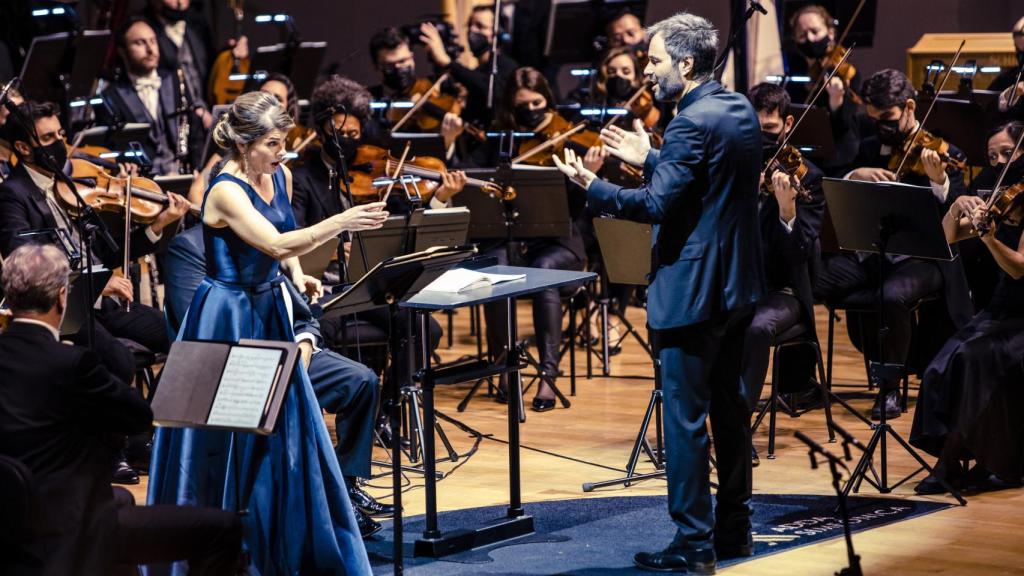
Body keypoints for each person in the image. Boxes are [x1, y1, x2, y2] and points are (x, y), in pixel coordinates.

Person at [554, 12, 764, 573]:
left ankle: (694, 548)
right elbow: (707, 178)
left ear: (686, 63)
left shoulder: (690, 123)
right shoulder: (738, 109)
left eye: (655, 60)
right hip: (736, 286)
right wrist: (650, 156)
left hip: (692, 291)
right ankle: (735, 531)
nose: (647, 71)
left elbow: (653, 205)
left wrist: (592, 186)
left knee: (686, 422)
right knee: (730, 411)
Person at [147, 90, 389, 575]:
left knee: (283, 431)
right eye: (274, 143)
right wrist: (340, 222)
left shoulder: (279, 174)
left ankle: (285, 544)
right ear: (243, 143)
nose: (282, 152)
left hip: (268, 307)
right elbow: (274, 241)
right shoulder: (225, 191)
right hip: (227, 316)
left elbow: (285, 235)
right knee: (227, 436)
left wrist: (297, 273)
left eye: (284, 142)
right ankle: (226, 549)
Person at [0, 243, 243, 576]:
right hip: (70, 526)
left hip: (12, 518)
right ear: (61, 297)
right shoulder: (72, 363)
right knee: (222, 528)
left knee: (124, 500)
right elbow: (138, 417)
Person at [0, 100, 190, 483]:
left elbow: (103, 251)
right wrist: (96, 278)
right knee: (118, 361)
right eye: (49, 137)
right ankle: (115, 449)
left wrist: (157, 227)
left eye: (61, 134)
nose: (61, 144)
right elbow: (27, 259)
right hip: (62, 306)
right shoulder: (12, 195)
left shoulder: (65, 184)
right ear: (23, 148)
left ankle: (153, 437)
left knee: (181, 332)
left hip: (97, 299)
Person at [162, 224, 391, 538]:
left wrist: (306, 343)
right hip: (232, 363)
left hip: (287, 352)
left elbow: (302, 311)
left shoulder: (261, 237)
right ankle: (303, 505)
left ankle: (346, 487)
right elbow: (198, 321)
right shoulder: (187, 247)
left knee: (360, 381)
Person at [813, 68, 972, 420]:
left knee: (892, 296)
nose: (880, 126)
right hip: (873, 252)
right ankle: (803, 381)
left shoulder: (945, 152)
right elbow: (837, 180)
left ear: (910, 107)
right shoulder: (870, 147)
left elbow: (959, 218)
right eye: (873, 119)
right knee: (812, 279)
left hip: (925, 258)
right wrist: (857, 175)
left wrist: (940, 181)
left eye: (887, 118)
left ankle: (889, 390)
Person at [910, 120, 1024, 495]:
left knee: (975, 360)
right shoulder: (996, 193)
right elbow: (943, 242)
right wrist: (955, 204)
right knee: (942, 363)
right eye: (992, 156)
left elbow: (1019, 269)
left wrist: (990, 239)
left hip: (1020, 316)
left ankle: (949, 463)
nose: (1000, 160)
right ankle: (963, 461)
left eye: (1008, 153)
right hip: (1000, 310)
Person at [486, 66, 588, 412]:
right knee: (495, 268)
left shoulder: (568, 137)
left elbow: (577, 211)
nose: (531, 110)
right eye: (522, 105)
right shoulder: (504, 141)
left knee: (543, 271)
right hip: (515, 240)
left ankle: (548, 374)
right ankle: (503, 363)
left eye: (537, 102)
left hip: (561, 243)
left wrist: (586, 177)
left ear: (548, 98)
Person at [744, 83, 826, 461]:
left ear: (788, 124)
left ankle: (737, 427)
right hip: (737, 283)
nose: (762, 139)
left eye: (770, 131)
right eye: (754, 129)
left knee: (757, 327)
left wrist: (786, 211)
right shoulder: (735, 167)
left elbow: (799, 254)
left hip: (784, 291)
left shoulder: (807, 178)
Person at [97, 16, 209, 175]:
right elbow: (112, 148)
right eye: (140, 43)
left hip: (184, 175)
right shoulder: (110, 97)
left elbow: (194, 128)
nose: (150, 49)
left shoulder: (175, 79)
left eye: (153, 41)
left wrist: (198, 168)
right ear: (122, 51)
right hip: (144, 183)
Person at [783, 4, 864, 176]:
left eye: (815, 31)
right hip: (806, 160)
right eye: (802, 35)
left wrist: (836, 101)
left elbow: (843, 127)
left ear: (831, 33)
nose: (810, 39)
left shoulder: (846, 72)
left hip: (840, 162)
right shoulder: (794, 75)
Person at [420, 4, 519, 131]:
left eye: (480, 26)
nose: (472, 30)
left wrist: (448, 63)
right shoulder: (475, 72)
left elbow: (490, 90)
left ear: (497, 33)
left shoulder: (507, 67)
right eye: (470, 25)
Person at [367, 26, 464, 148]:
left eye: (403, 61)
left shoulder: (434, 88)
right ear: (375, 67)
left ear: (412, 58)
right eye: (389, 65)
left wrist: (447, 141)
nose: (398, 68)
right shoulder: (368, 101)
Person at [988, 15, 1024, 120]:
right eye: (1019, 51)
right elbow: (987, 107)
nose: (1021, 57)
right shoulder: (1007, 77)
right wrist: (1006, 97)